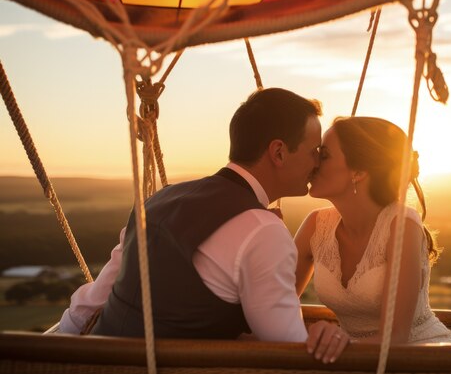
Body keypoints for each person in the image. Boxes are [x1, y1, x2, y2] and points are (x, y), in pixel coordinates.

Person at [58, 87, 350, 363]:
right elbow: (288, 351)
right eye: (314, 151)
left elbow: (96, 298)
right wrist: (324, 335)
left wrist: (57, 350)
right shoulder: (264, 231)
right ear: (279, 153)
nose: (317, 163)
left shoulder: (159, 200)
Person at [294, 116, 451, 373]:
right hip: (354, 361)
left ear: (358, 172)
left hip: (427, 359)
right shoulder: (316, 225)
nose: (313, 163)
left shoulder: (401, 225)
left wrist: (341, 344)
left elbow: (397, 337)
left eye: (324, 155)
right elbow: (276, 301)